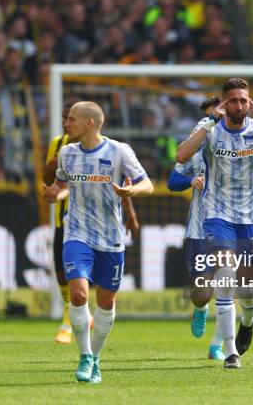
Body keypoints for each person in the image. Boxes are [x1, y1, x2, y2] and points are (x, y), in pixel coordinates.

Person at [176, 78, 253, 369]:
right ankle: (230, 351)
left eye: (244, 100)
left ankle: (249, 318)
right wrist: (207, 122)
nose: (239, 105)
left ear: (249, 101)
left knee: (246, 286)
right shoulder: (209, 129)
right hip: (217, 214)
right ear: (223, 102)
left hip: (252, 216)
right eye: (233, 100)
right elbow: (181, 155)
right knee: (225, 275)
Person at [43, 101, 153, 383]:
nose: (67, 124)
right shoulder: (67, 153)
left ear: (89, 123)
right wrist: (55, 195)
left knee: (106, 302)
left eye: (72, 119)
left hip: (110, 238)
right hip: (77, 233)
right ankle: (85, 356)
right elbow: (63, 186)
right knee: (78, 294)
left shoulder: (118, 151)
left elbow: (147, 184)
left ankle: (97, 357)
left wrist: (131, 190)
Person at [167, 96, 225, 360]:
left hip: (232, 224)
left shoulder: (243, 144)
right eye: (210, 116)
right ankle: (200, 309)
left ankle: (219, 343)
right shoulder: (195, 147)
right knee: (201, 292)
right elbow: (173, 181)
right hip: (200, 230)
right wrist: (192, 180)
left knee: (228, 285)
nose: (214, 119)